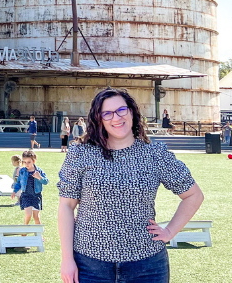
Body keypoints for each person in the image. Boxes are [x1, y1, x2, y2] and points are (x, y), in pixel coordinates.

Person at [57, 88, 203, 283]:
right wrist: (67, 259)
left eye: (121, 110)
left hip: (147, 266)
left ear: (132, 112)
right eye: (107, 113)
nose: (116, 118)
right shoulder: (81, 152)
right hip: (90, 265)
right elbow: (66, 206)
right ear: (99, 119)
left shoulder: (155, 154)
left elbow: (194, 195)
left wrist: (170, 231)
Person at [12, 150, 47, 225]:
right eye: (24, 162)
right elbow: (18, 183)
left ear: (34, 161)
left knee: (36, 217)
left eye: (29, 162)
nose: (26, 164)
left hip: (36, 196)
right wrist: (14, 191)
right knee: (28, 215)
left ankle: (39, 235)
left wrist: (39, 177)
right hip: (26, 195)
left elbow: (46, 181)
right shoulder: (22, 171)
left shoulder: (39, 171)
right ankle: (25, 230)